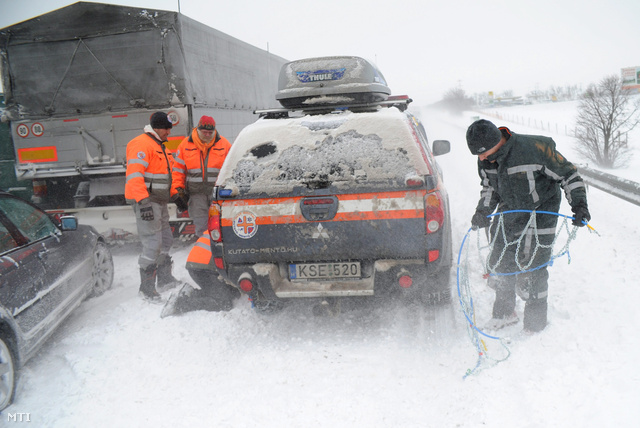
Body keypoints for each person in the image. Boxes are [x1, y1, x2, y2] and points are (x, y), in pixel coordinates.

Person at [466, 119, 591, 333]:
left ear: (497, 141)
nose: (481, 158)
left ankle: (535, 323)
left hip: (542, 211)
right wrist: (483, 211)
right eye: (478, 155)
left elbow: (569, 175)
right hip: (511, 209)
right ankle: (505, 313)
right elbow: (489, 187)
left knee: (535, 266)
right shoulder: (486, 160)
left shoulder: (535, 149)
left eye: (483, 152)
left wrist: (579, 205)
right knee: (502, 260)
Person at [125, 111, 182, 303]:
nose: (169, 132)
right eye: (166, 129)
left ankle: (164, 279)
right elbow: (134, 176)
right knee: (152, 243)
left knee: (166, 240)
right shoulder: (141, 144)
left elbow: (168, 177)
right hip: (147, 203)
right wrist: (143, 202)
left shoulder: (161, 147)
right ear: (157, 127)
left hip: (160, 201)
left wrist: (176, 195)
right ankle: (146, 289)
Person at [170, 115, 231, 237]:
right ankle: (204, 253)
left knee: (221, 227)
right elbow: (178, 171)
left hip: (218, 195)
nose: (208, 135)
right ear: (198, 130)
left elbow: (231, 169)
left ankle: (219, 254)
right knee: (201, 228)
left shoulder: (224, 144)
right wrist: (177, 191)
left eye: (210, 132)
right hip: (196, 196)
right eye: (205, 132)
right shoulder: (185, 145)